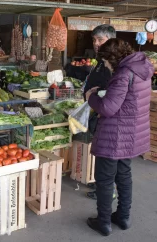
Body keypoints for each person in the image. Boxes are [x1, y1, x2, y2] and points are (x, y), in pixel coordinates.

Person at [85, 38, 153, 236]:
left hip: (115, 135)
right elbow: (128, 99)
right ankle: (123, 217)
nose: (105, 65)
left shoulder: (123, 73)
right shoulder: (142, 69)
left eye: (105, 61)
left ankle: (103, 222)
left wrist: (91, 97)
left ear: (112, 58)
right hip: (132, 134)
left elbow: (108, 108)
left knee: (105, 179)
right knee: (124, 175)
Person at [83, 24, 117, 201]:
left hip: (105, 116)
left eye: (100, 39)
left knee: (107, 157)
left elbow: (110, 93)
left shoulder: (113, 64)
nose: (96, 43)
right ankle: (100, 183)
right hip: (97, 113)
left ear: (111, 40)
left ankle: (107, 190)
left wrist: (92, 96)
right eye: (94, 40)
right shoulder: (100, 60)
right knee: (100, 154)